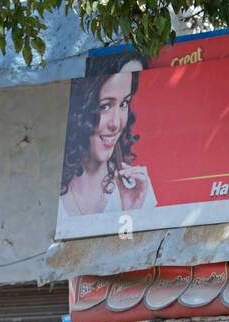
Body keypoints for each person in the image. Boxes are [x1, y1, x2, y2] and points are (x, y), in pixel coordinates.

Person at [59, 51, 156, 220]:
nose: (116, 124)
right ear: (82, 107)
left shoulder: (138, 190)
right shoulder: (51, 191)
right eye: (105, 106)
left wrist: (130, 213)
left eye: (124, 104)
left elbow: (132, 244)